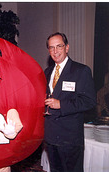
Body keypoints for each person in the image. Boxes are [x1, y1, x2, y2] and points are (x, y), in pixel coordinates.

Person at [44, 32, 96, 172]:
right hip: (50, 135)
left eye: (59, 46)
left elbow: (89, 101)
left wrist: (61, 104)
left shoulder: (81, 71)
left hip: (70, 138)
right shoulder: (46, 72)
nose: (55, 51)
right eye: (51, 47)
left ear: (67, 47)